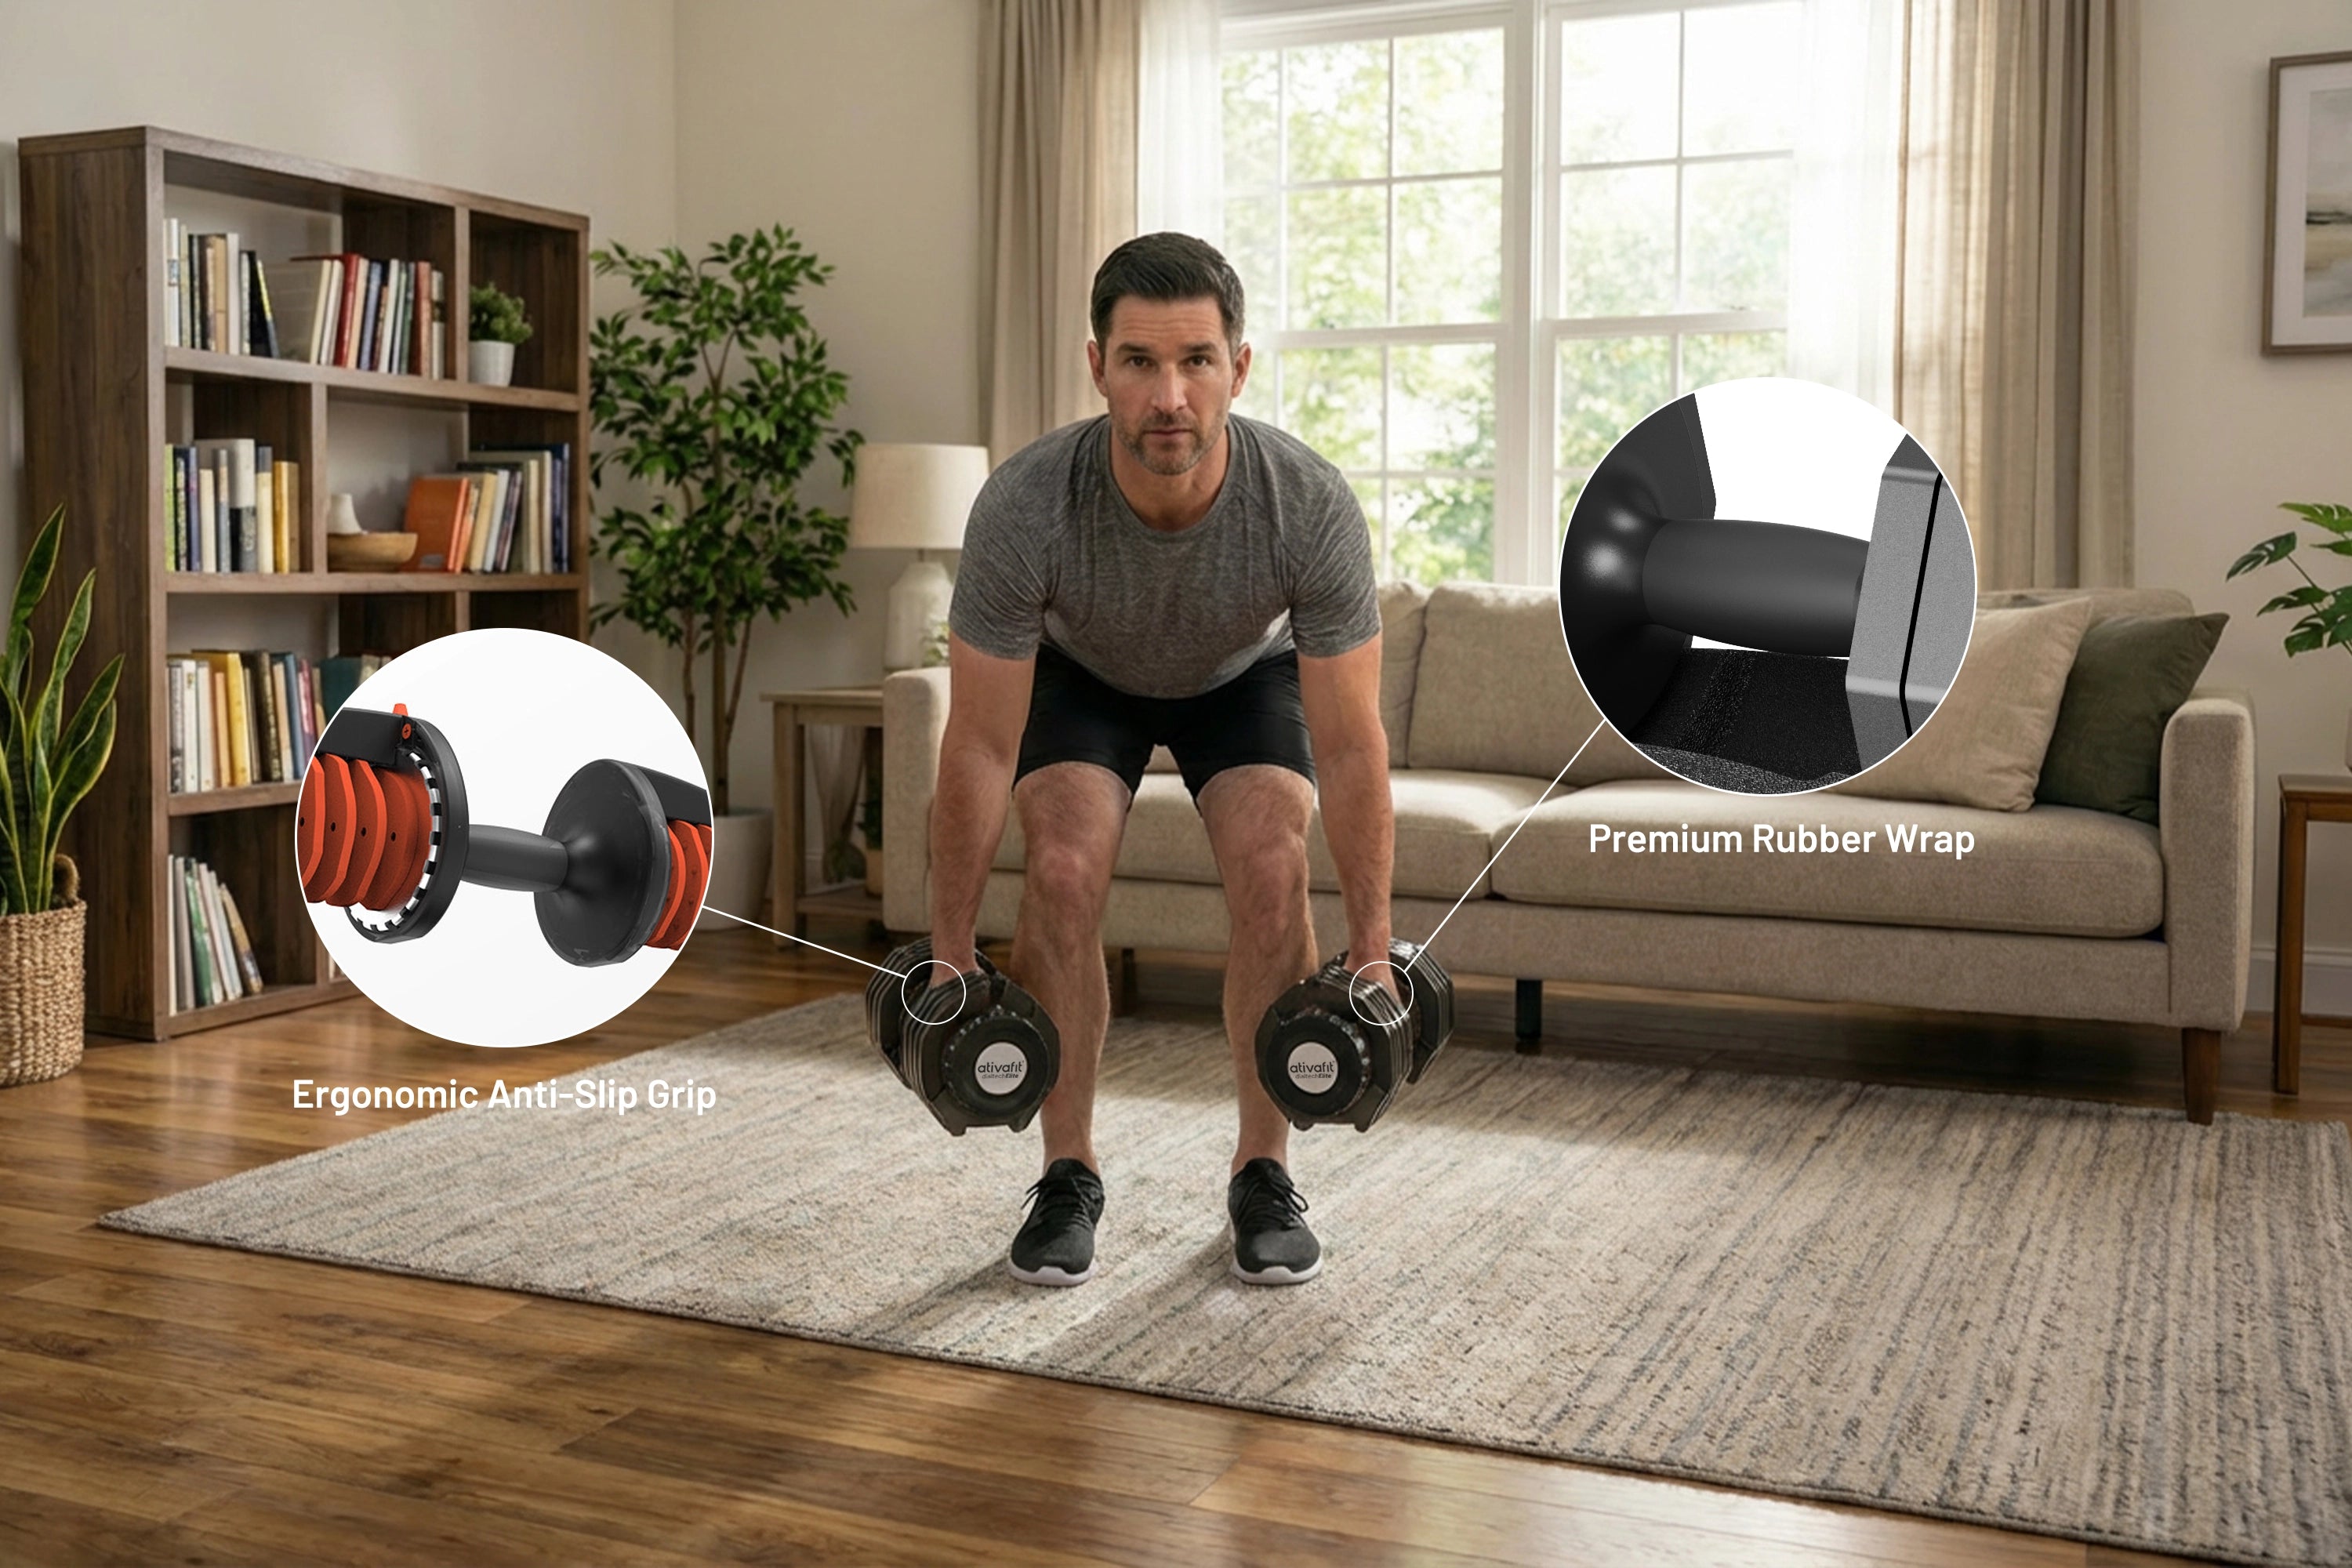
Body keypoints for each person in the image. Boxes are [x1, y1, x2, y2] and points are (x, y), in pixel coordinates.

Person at [927, 231, 1395, 1288]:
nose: (1168, 395)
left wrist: (1372, 945)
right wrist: (950, 947)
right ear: (1097, 366)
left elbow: (1354, 745)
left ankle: (1263, 1173)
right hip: (1084, 676)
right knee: (1060, 865)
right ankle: (1066, 1174)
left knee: (1274, 857)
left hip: (1243, 676)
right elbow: (978, 743)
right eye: (1139, 361)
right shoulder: (1026, 505)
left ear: (1240, 366)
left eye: (1195, 360)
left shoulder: (1305, 504)